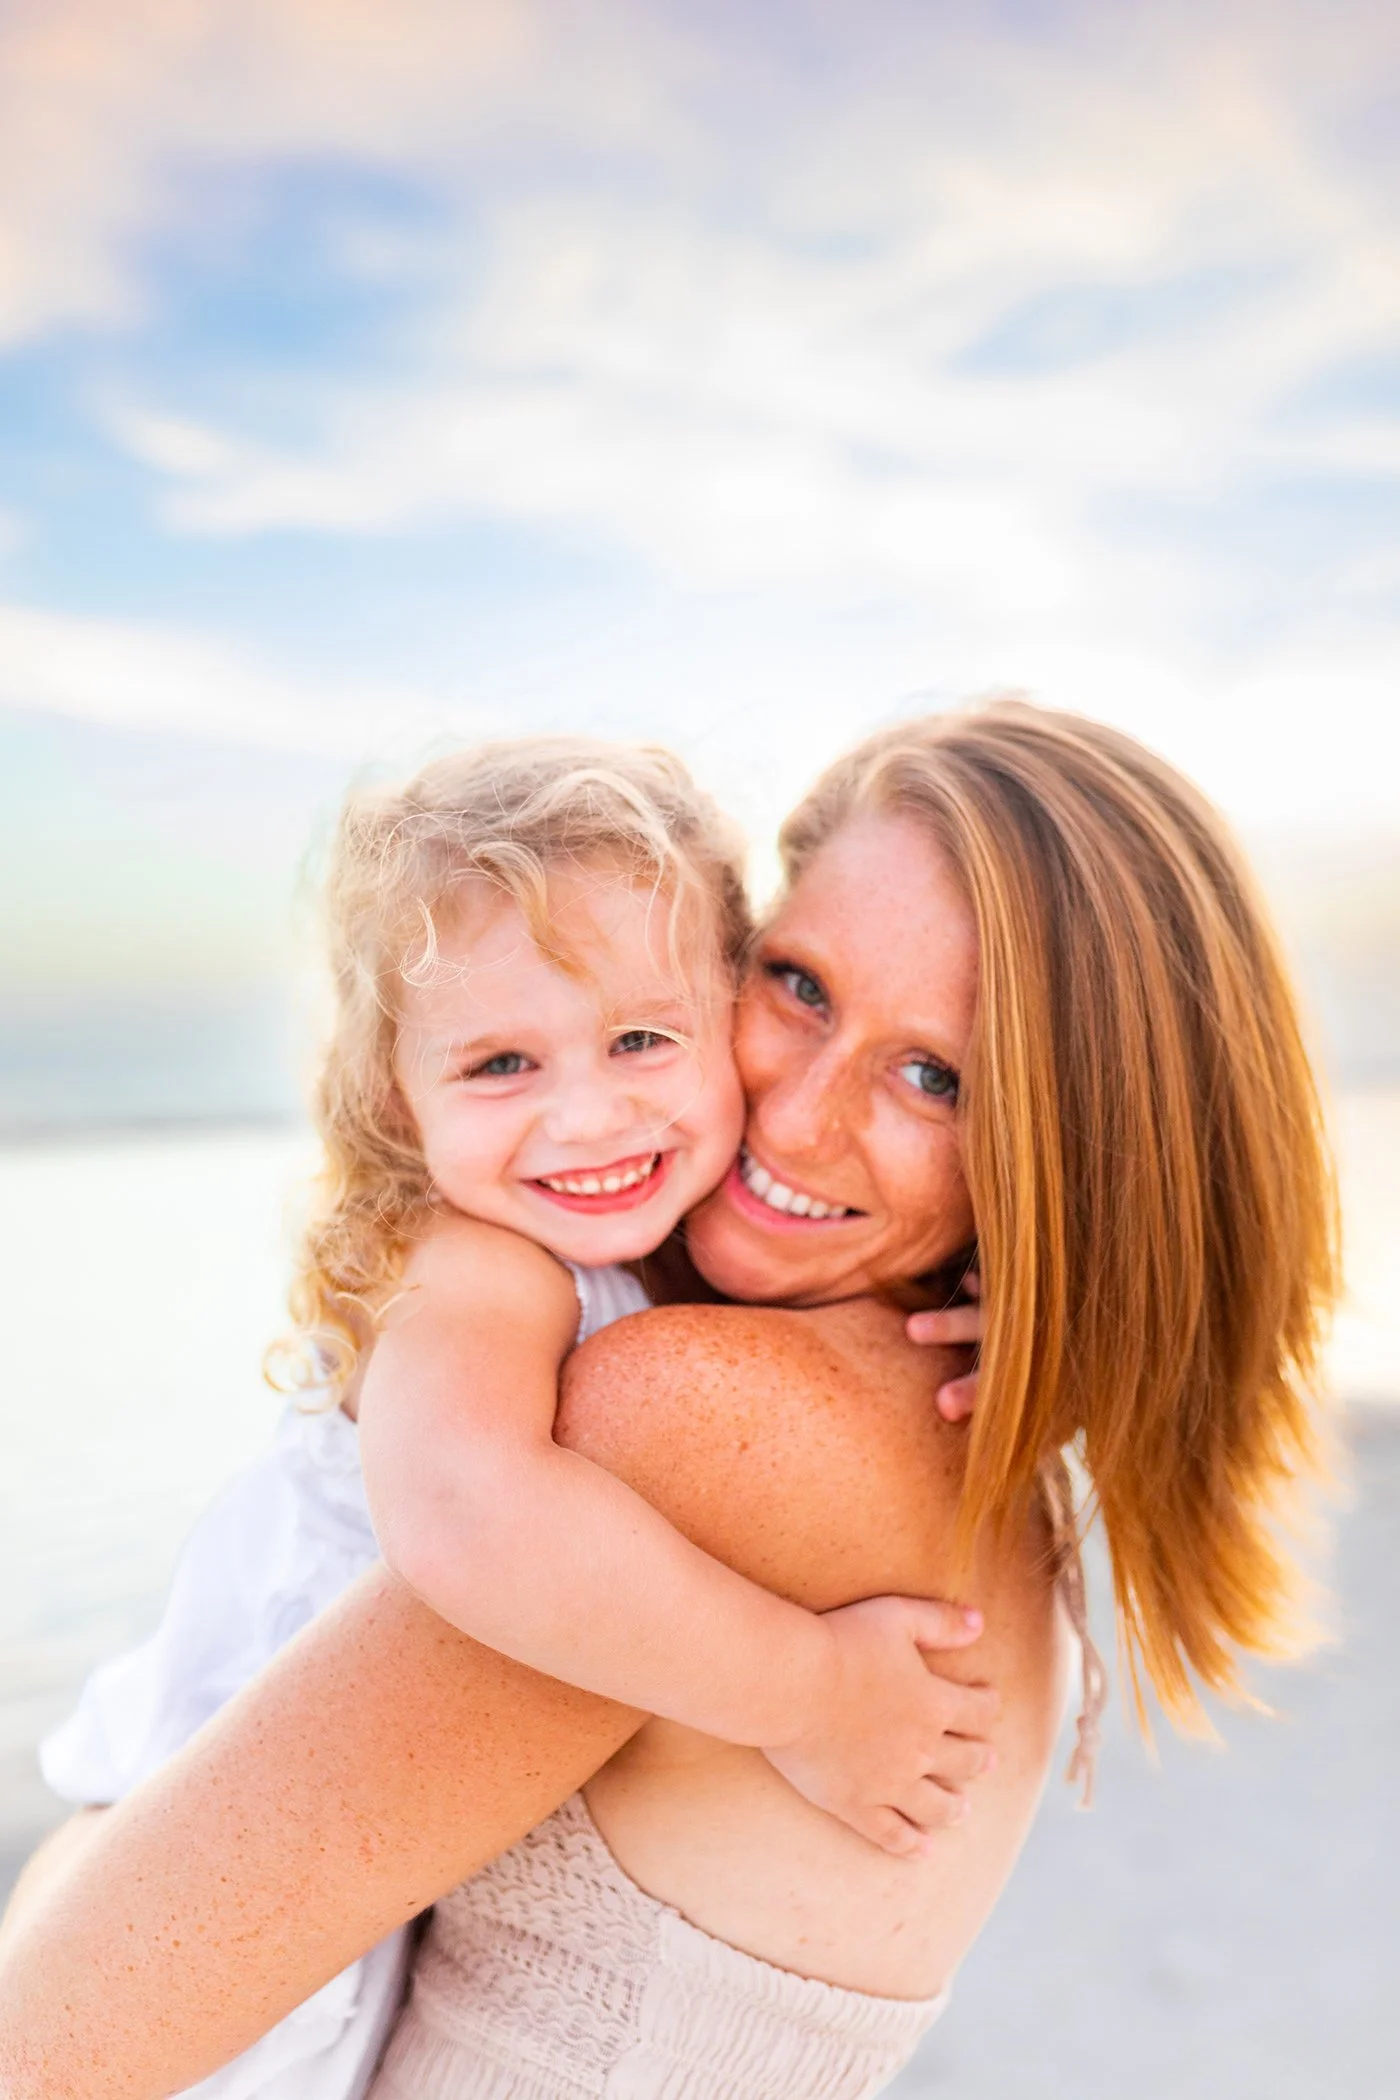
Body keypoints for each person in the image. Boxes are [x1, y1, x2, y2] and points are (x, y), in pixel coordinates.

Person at [0, 702, 1338, 2100]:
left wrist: (89, 1849)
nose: (802, 1117)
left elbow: (49, 2050)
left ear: (1078, 1154)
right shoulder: (990, 1450)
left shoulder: (690, 1424)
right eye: (800, 987)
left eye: (935, 1078)